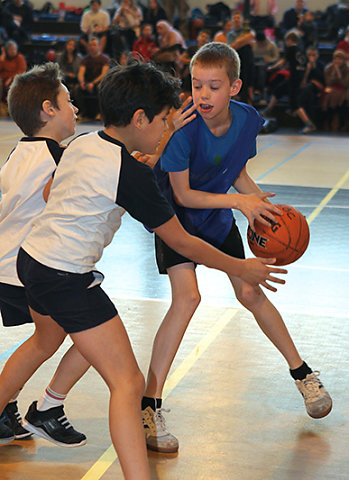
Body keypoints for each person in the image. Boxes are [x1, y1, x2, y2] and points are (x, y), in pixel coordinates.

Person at [0, 61, 286, 478]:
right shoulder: (129, 173)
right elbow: (183, 243)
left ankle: (45, 408)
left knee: (49, 339)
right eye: (164, 122)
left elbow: (51, 189)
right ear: (140, 119)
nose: (166, 131)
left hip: (32, 262)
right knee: (128, 382)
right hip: (65, 277)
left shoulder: (83, 143)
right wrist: (241, 268)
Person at [141, 42, 332, 454]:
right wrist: (240, 202)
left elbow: (235, 170)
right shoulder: (182, 130)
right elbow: (185, 195)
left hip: (215, 219)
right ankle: (149, 405)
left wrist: (254, 204)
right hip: (176, 221)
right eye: (196, 86)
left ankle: (303, 375)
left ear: (235, 87)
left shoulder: (247, 120)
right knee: (186, 298)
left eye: (213, 86)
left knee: (250, 291)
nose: (203, 95)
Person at [0, 62, 90, 447]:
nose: (76, 109)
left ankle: (8, 408)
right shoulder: (58, 158)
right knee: (82, 333)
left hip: (8, 264)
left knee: (49, 337)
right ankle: (44, 408)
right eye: (68, 101)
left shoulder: (18, 154)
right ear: (48, 109)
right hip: (28, 268)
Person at [263, 30, 316, 134]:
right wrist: (304, 79)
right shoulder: (301, 50)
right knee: (278, 90)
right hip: (297, 77)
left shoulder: (291, 49)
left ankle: (309, 124)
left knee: (294, 103)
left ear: (289, 40)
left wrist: (272, 68)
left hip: (294, 78)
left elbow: (283, 61)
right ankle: (267, 111)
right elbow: (308, 66)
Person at [74, 36, 110, 119]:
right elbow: (81, 73)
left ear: (98, 46)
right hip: (87, 82)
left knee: (100, 88)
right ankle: (83, 112)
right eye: (90, 45)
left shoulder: (104, 59)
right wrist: (82, 82)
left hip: (99, 83)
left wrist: (93, 83)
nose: (92, 47)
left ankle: (99, 112)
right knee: (77, 89)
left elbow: (103, 74)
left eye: (94, 45)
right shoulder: (85, 60)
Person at [227, 10, 255, 104]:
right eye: (234, 18)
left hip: (248, 61)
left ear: (242, 20)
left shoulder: (248, 31)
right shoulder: (230, 34)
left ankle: (250, 104)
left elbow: (251, 40)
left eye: (238, 18)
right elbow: (233, 46)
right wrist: (243, 40)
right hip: (237, 61)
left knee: (249, 83)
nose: (236, 20)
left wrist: (239, 42)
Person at [0, 39, 26, 115]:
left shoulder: (19, 58)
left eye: (14, 49)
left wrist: (11, 78)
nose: (13, 51)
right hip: (3, 80)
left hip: (15, 79)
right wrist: (2, 59)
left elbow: (21, 71)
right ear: (6, 50)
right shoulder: (3, 59)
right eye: (11, 49)